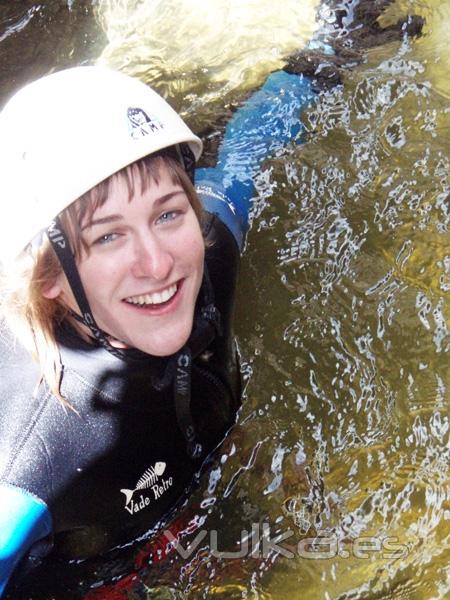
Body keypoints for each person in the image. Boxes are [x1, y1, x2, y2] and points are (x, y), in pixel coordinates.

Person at [0, 65, 315, 597]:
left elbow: (242, 157)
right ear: (48, 278)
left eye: (168, 214)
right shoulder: (31, 464)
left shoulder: (208, 257)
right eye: (107, 237)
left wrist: (329, 54)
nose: (157, 262)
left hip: (195, 481)